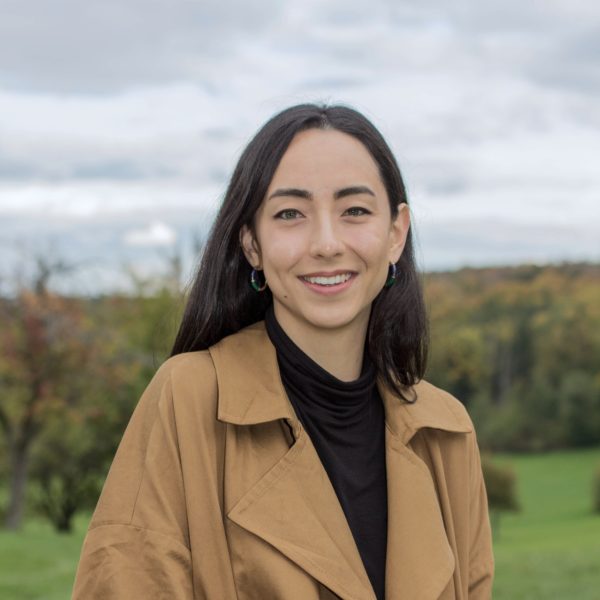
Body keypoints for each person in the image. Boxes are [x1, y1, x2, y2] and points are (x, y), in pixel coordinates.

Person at [72, 104, 494, 599]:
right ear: (252, 243)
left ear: (396, 234)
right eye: (290, 214)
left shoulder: (447, 431)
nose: (326, 244)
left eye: (355, 211)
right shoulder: (188, 397)